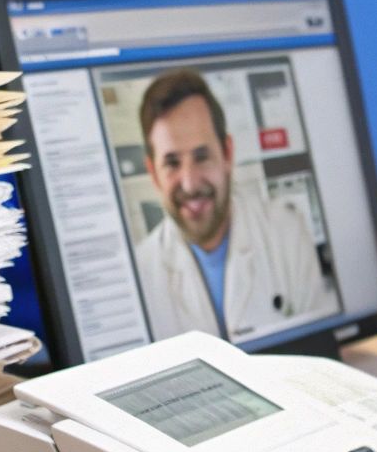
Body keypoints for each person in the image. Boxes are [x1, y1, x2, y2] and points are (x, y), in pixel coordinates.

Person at [132, 68, 333, 341]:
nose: (190, 184)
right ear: (154, 173)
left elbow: (318, 353)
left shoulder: (286, 231)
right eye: (172, 163)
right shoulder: (140, 272)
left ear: (227, 153)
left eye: (202, 157)